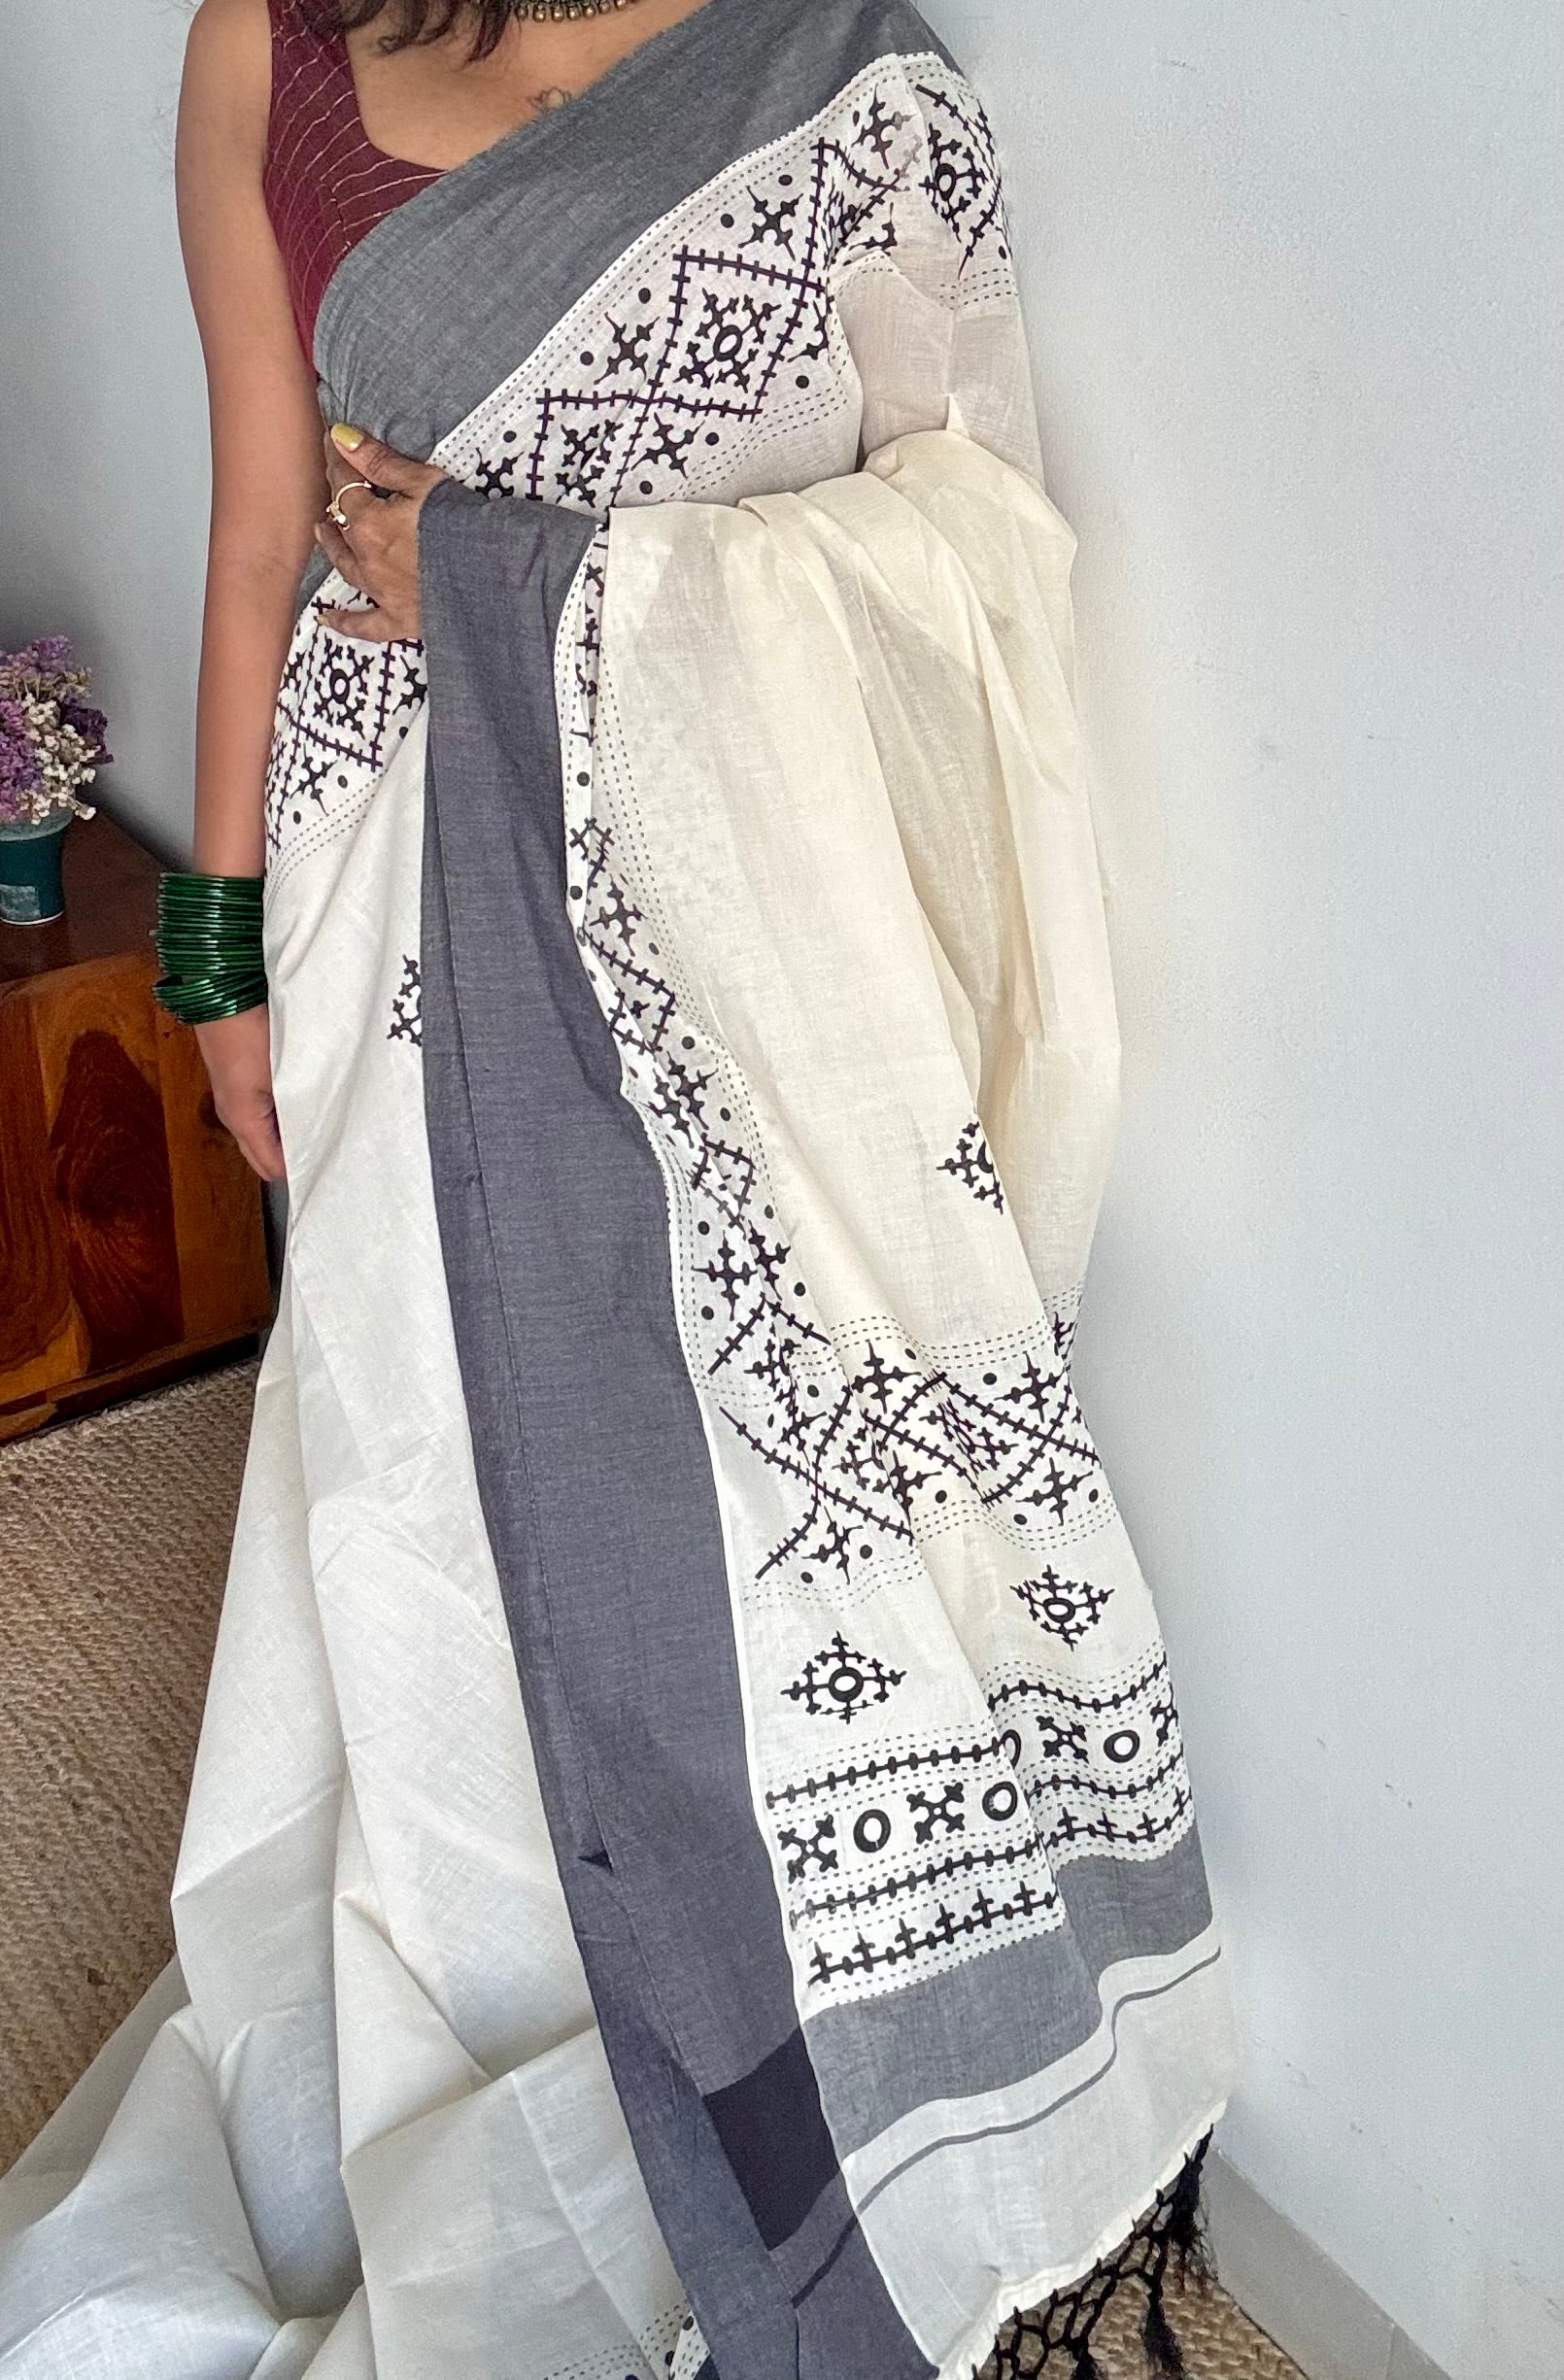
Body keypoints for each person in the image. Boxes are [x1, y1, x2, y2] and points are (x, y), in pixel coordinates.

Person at [0, 2, 1239, 2372]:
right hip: (398, 890)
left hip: (749, 938)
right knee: (425, 1465)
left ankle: (791, 2016)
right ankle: (482, 1954)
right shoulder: (271, 36)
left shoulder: (839, 74)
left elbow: (967, 536)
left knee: (772, 1485)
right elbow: (259, 535)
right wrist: (218, 954)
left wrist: (521, 570)